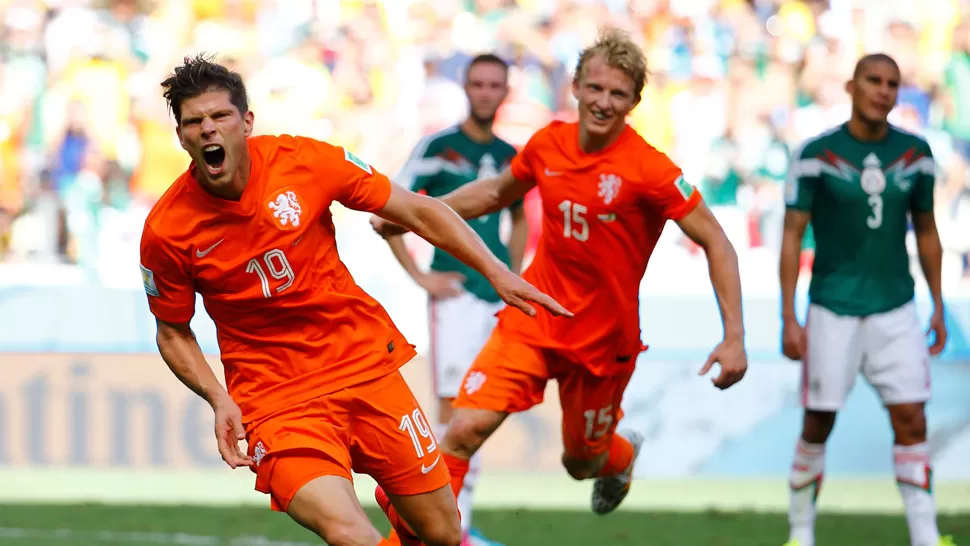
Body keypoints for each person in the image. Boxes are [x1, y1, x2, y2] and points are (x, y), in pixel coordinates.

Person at [138, 54, 570, 546]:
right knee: (352, 534)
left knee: (444, 533)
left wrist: (495, 271)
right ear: (181, 137)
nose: (208, 130)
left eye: (220, 116)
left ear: (247, 122)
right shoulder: (167, 230)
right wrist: (218, 397)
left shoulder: (306, 161)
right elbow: (172, 329)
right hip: (277, 402)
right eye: (194, 122)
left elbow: (417, 210)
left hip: (364, 369)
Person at [371, 28, 748, 543]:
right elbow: (494, 192)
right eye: (594, 88)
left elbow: (717, 240)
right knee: (460, 433)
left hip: (601, 342)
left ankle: (622, 454)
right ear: (575, 86)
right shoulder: (548, 143)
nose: (603, 102)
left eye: (618, 94)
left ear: (634, 101)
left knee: (580, 461)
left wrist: (734, 336)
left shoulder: (650, 170)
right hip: (532, 317)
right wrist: (416, 215)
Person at [779, 53, 955, 546]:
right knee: (819, 421)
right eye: (873, 81)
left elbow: (927, 231)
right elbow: (792, 236)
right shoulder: (815, 154)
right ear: (852, 86)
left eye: (892, 84)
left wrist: (937, 304)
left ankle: (925, 536)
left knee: (912, 418)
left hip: (896, 307)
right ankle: (800, 534)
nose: (883, 90)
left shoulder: (916, 154)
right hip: (831, 306)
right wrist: (788, 316)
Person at [386, 52, 524, 546]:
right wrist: (422, 278)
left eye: (495, 85)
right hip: (456, 297)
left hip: (495, 299)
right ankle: (450, 527)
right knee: (451, 413)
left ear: (506, 92)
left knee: (479, 412)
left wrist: (515, 273)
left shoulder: (513, 155)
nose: (486, 92)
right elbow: (387, 212)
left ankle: (459, 523)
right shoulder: (439, 147)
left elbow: (521, 217)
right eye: (478, 84)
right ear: (466, 88)